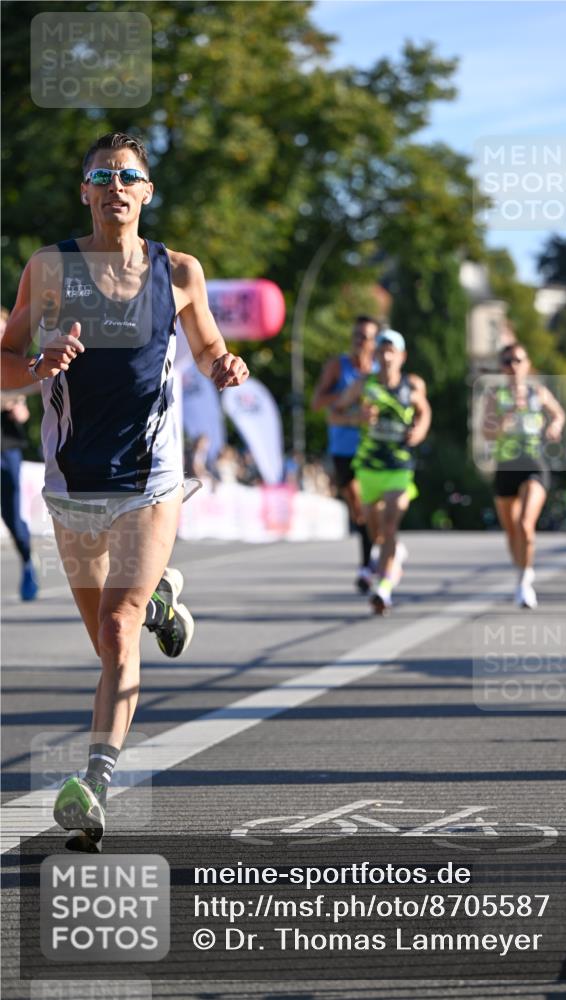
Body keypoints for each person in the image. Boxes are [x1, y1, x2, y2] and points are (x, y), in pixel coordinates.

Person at [0, 132, 249, 840]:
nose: (115, 185)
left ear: (146, 192)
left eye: (129, 176)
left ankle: (94, 782)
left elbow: (206, 351)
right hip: (73, 481)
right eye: (101, 175)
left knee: (116, 628)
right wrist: (39, 367)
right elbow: (3, 363)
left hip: (149, 480)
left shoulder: (181, 272)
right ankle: (161, 601)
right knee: (107, 641)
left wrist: (226, 366)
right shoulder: (48, 269)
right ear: (85, 191)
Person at [335, 329, 431, 614]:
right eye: (382, 351)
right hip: (369, 467)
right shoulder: (364, 385)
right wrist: (357, 417)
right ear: (375, 355)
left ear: (402, 356)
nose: (387, 356)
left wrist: (419, 432)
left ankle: (384, 588)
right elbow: (334, 413)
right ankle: (392, 554)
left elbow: (424, 412)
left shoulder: (412, 385)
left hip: (399, 467)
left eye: (392, 351)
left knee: (389, 524)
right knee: (374, 527)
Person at [483, 342, 565, 609]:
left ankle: (524, 582)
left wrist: (554, 426)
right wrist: (503, 421)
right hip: (506, 467)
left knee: (525, 526)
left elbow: (559, 414)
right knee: (511, 529)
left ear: (527, 364)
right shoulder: (495, 396)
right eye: (507, 362)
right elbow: (486, 432)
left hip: (533, 465)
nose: (513, 366)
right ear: (501, 367)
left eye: (518, 360)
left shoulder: (537, 392)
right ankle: (520, 573)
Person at [312, 315, 380, 593]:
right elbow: (317, 402)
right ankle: (372, 553)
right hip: (342, 447)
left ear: (375, 341)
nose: (360, 342)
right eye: (357, 336)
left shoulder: (380, 369)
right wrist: (344, 400)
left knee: (368, 504)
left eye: (366, 337)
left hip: (372, 448)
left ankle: (368, 564)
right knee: (357, 507)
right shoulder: (338, 368)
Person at [1, 372, 39, 599]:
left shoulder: (7, 361)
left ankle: (27, 562)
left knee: (12, 517)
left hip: (5, 449)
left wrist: (16, 406)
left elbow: (23, 412)